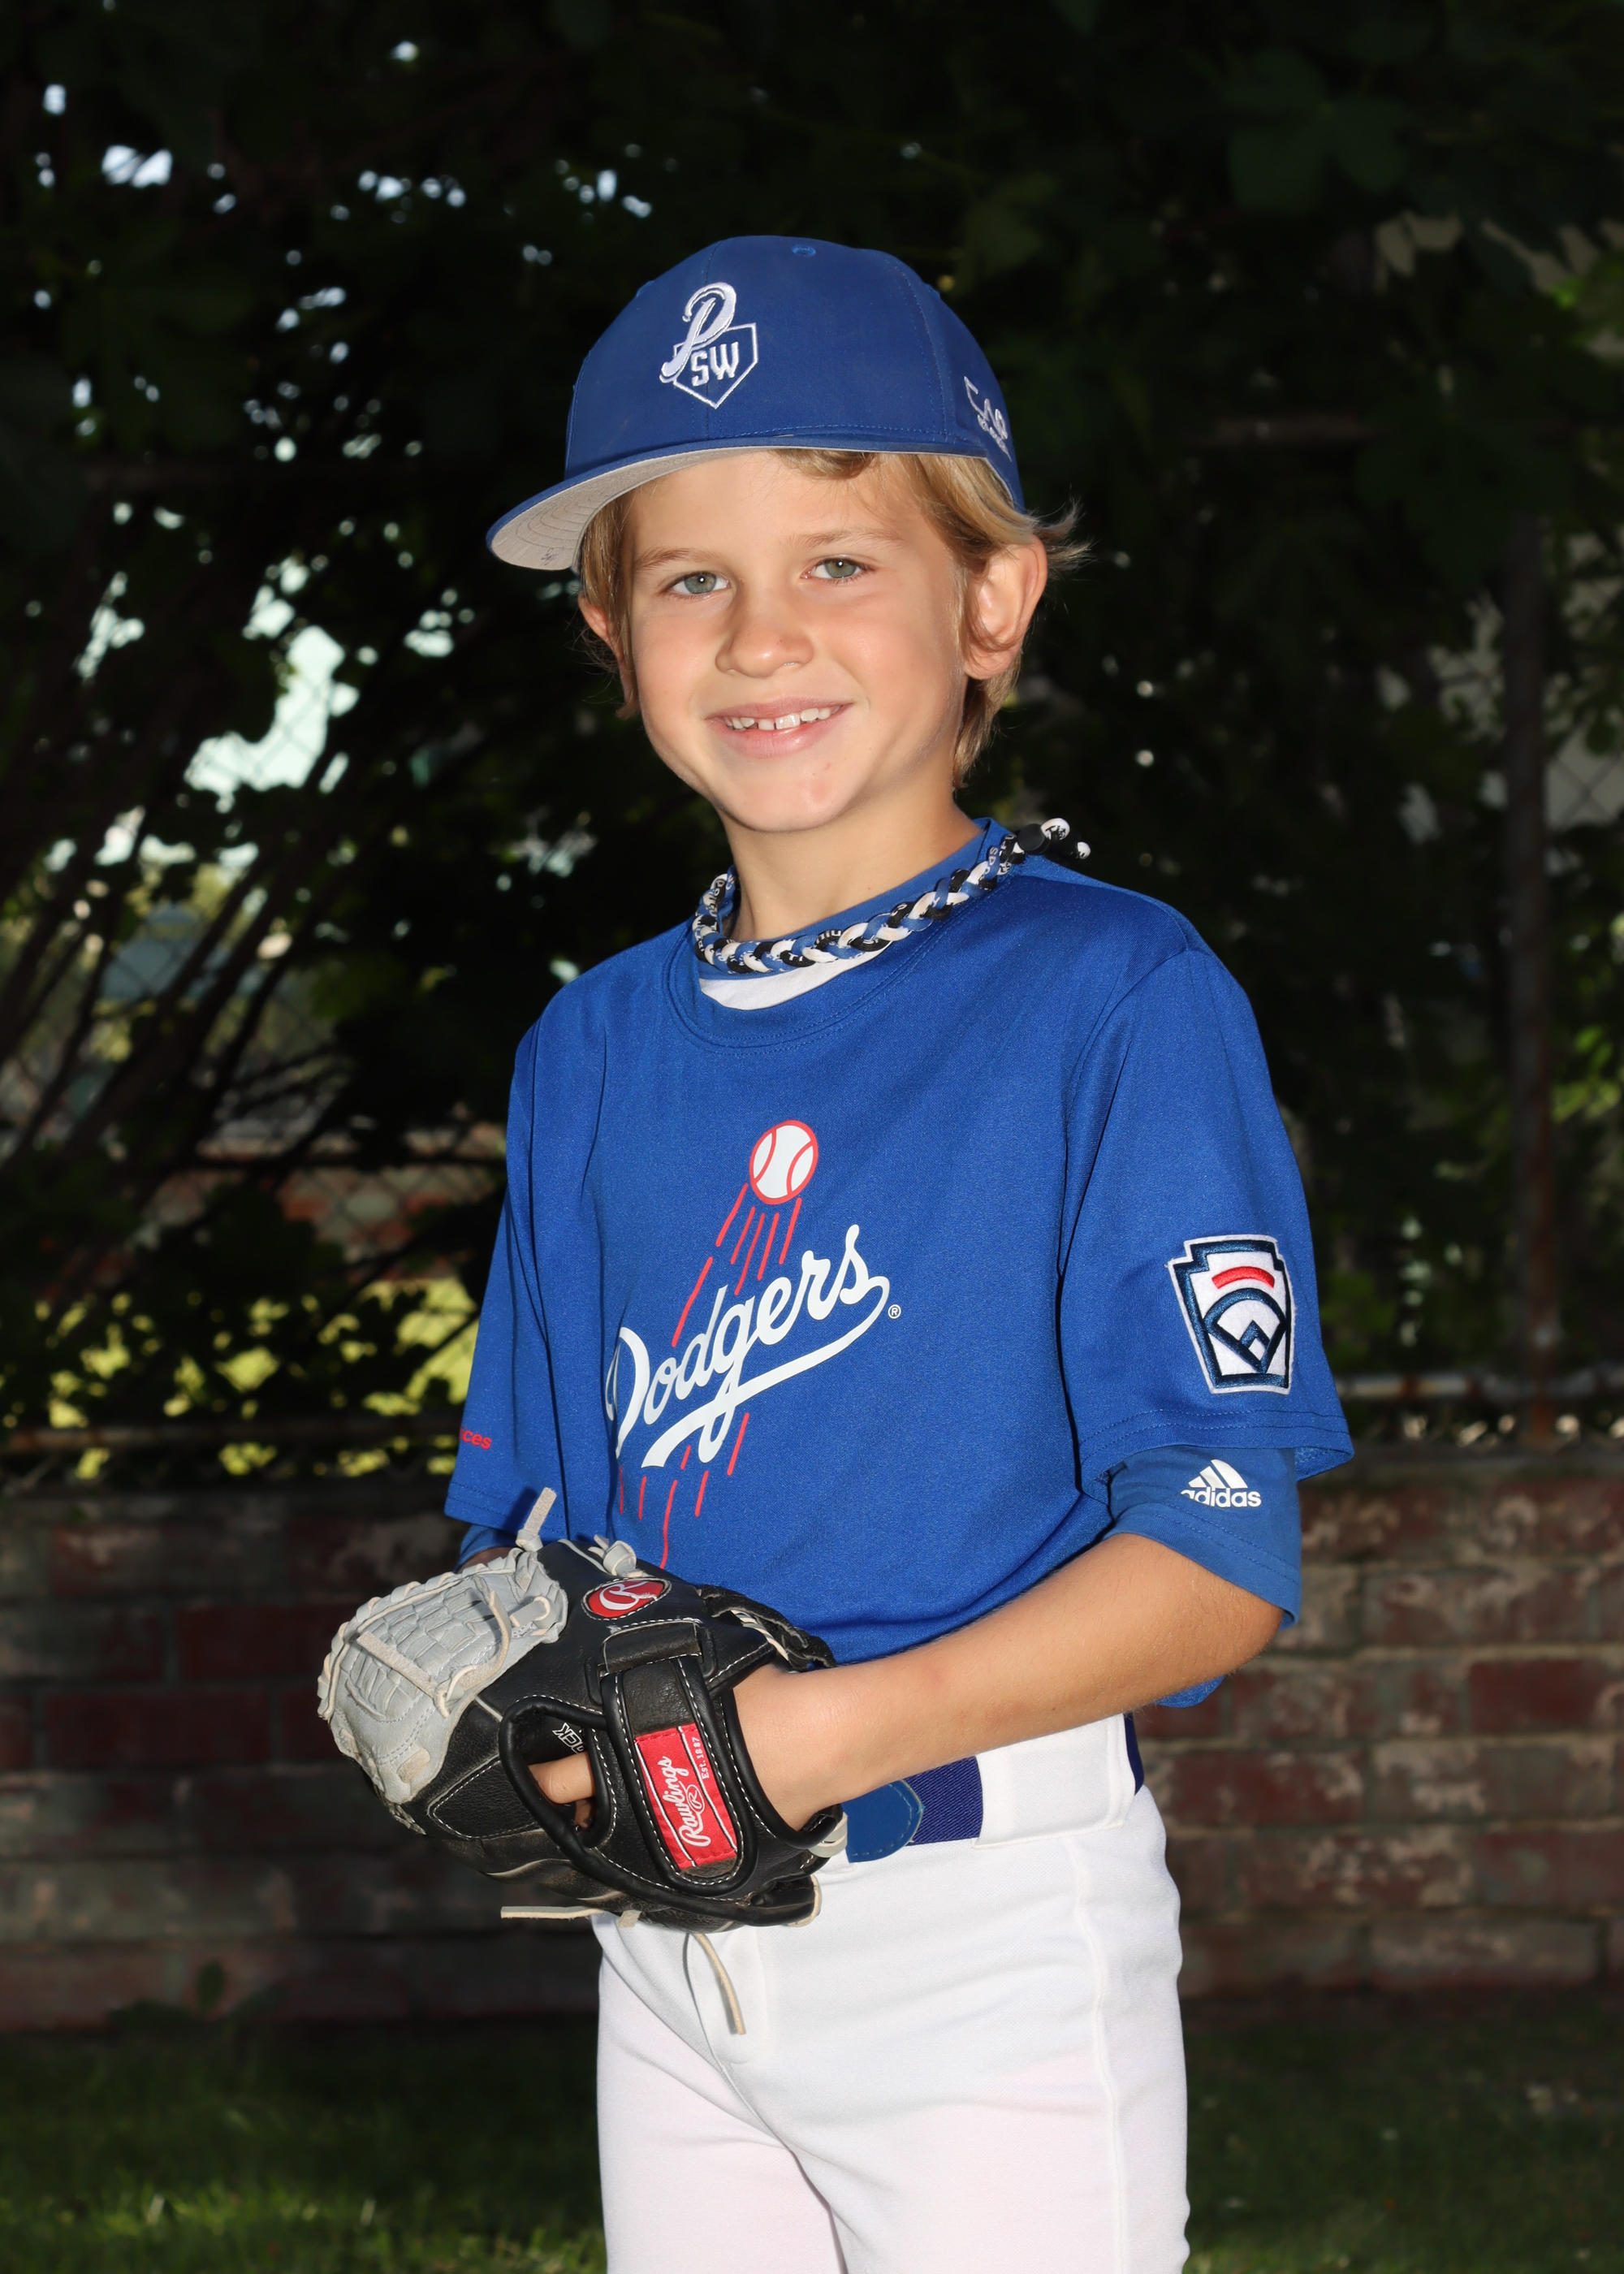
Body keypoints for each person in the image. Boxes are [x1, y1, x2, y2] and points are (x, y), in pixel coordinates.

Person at [446, 236, 1352, 2274]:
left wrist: (821, 1731)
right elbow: (541, 1524)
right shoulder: (591, 1045)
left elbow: (1215, 1562)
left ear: (992, 599)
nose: (761, 634)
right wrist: (504, 1685)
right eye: (690, 578)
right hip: (667, 1927)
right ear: (608, 628)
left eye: (839, 560)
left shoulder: (1111, 995)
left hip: (980, 1931)